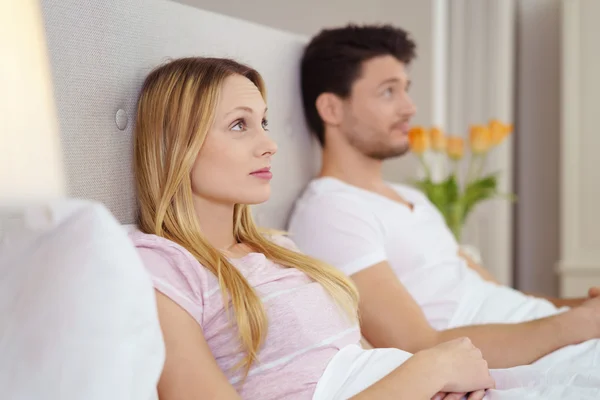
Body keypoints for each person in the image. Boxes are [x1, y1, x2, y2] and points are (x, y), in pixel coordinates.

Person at [129, 56, 494, 400]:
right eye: (239, 124)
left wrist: (438, 374)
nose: (270, 145)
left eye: (264, 123)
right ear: (175, 143)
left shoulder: (277, 249)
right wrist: (431, 369)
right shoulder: (162, 268)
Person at [288, 24, 600, 370]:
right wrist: (575, 324)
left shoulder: (410, 198)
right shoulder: (332, 211)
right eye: (388, 92)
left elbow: (500, 296)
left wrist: (577, 307)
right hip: (516, 357)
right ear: (332, 108)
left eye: (406, 89)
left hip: (551, 335)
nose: (409, 107)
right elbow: (418, 345)